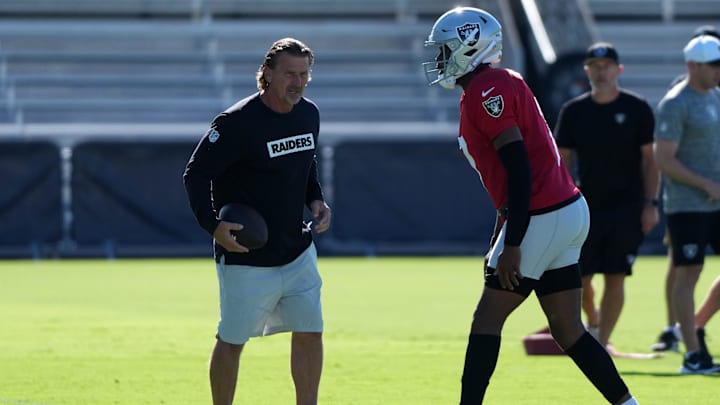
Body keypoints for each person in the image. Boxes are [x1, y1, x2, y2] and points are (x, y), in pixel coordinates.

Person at [422, 7, 639, 404]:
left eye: (446, 49)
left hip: (542, 213)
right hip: (565, 209)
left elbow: (518, 170)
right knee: (568, 329)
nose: (440, 59)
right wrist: (503, 232)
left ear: (469, 48)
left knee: (487, 318)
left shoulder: (488, 88)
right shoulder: (494, 84)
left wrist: (515, 243)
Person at [183, 37, 332, 404]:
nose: (297, 82)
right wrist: (212, 224)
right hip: (246, 256)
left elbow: (305, 162)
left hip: (296, 250)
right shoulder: (236, 122)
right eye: (289, 74)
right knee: (232, 340)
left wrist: (316, 199)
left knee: (311, 332)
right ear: (267, 74)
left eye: (304, 74)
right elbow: (196, 173)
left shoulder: (309, 113)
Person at [554, 42, 659, 352]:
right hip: (585, 208)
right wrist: (559, 202)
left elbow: (650, 161)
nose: (601, 73)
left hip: (627, 207)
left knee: (616, 276)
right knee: (581, 280)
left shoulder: (636, 108)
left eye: (607, 67)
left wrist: (650, 204)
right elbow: (561, 160)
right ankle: (595, 321)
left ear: (618, 70)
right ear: (587, 71)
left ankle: (601, 342)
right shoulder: (574, 111)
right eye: (595, 67)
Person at [653, 33, 720, 374]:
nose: (718, 71)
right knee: (687, 276)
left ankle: (694, 326)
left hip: (716, 204)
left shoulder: (716, 97)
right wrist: (706, 183)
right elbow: (664, 159)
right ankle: (693, 355)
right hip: (687, 206)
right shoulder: (675, 103)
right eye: (713, 65)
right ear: (693, 66)